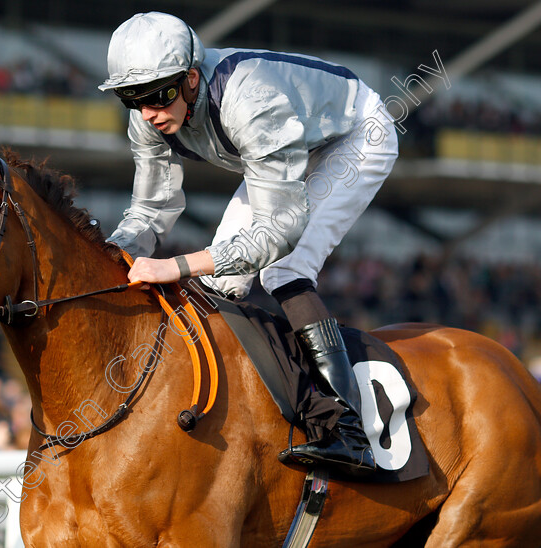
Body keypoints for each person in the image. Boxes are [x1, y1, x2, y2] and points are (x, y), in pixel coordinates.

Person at [99, 12, 399, 476]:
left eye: (157, 97)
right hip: (291, 144)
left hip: (355, 135)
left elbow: (280, 230)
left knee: (284, 268)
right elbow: (150, 209)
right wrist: (107, 253)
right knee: (220, 285)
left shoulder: (249, 99)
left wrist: (176, 265)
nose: (147, 114)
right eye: (130, 100)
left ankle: (351, 433)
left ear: (192, 79)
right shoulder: (149, 117)